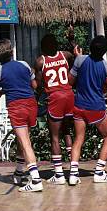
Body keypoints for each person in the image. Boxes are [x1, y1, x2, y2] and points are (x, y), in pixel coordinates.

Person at [67, 35, 107, 186]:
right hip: (96, 108)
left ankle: (73, 175)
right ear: (105, 50)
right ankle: (99, 172)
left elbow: (69, 81)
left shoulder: (79, 60)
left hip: (79, 106)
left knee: (78, 139)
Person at [0, 39, 42, 192]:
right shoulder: (24, 64)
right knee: (23, 140)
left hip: (16, 106)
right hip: (31, 104)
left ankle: (36, 180)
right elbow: (34, 85)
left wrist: (6, 88)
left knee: (25, 143)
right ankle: (19, 172)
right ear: (12, 52)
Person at [34, 34, 78, 185]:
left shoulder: (41, 61)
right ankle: (74, 171)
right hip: (69, 95)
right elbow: (76, 54)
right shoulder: (65, 55)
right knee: (67, 131)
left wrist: (35, 100)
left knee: (54, 137)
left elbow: (39, 85)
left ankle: (59, 174)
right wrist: (71, 39)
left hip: (55, 98)